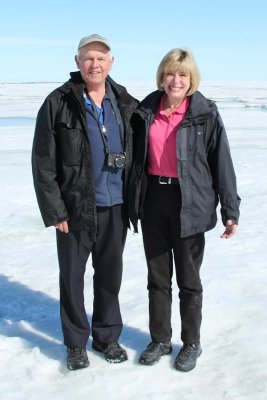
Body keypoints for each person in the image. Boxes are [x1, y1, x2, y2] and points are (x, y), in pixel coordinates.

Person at [128, 48, 240, 372]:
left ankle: (191, 343)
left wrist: (230, 209)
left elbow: (222, 164)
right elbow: (134, 160)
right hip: (153, 202)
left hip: (189, 203)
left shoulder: (205, 113)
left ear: (191, 79)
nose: (176, 80)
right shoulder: (145, 110)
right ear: (162, 76)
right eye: (170, 73)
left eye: (183, 74)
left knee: (189, 281)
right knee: (158, 279)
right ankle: (160, 339)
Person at [32, 34, 138, 370]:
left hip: (116, 207)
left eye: (101, 58)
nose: (95, 64)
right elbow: (43, 161)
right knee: (72, 277)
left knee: (109, 276)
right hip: (75, 210)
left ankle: (107, 337)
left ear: (111, 63)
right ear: (78, 62)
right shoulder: (58, 101)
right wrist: (55, 209)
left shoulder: (125, 102)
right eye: (88, 58)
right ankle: (76, 343)